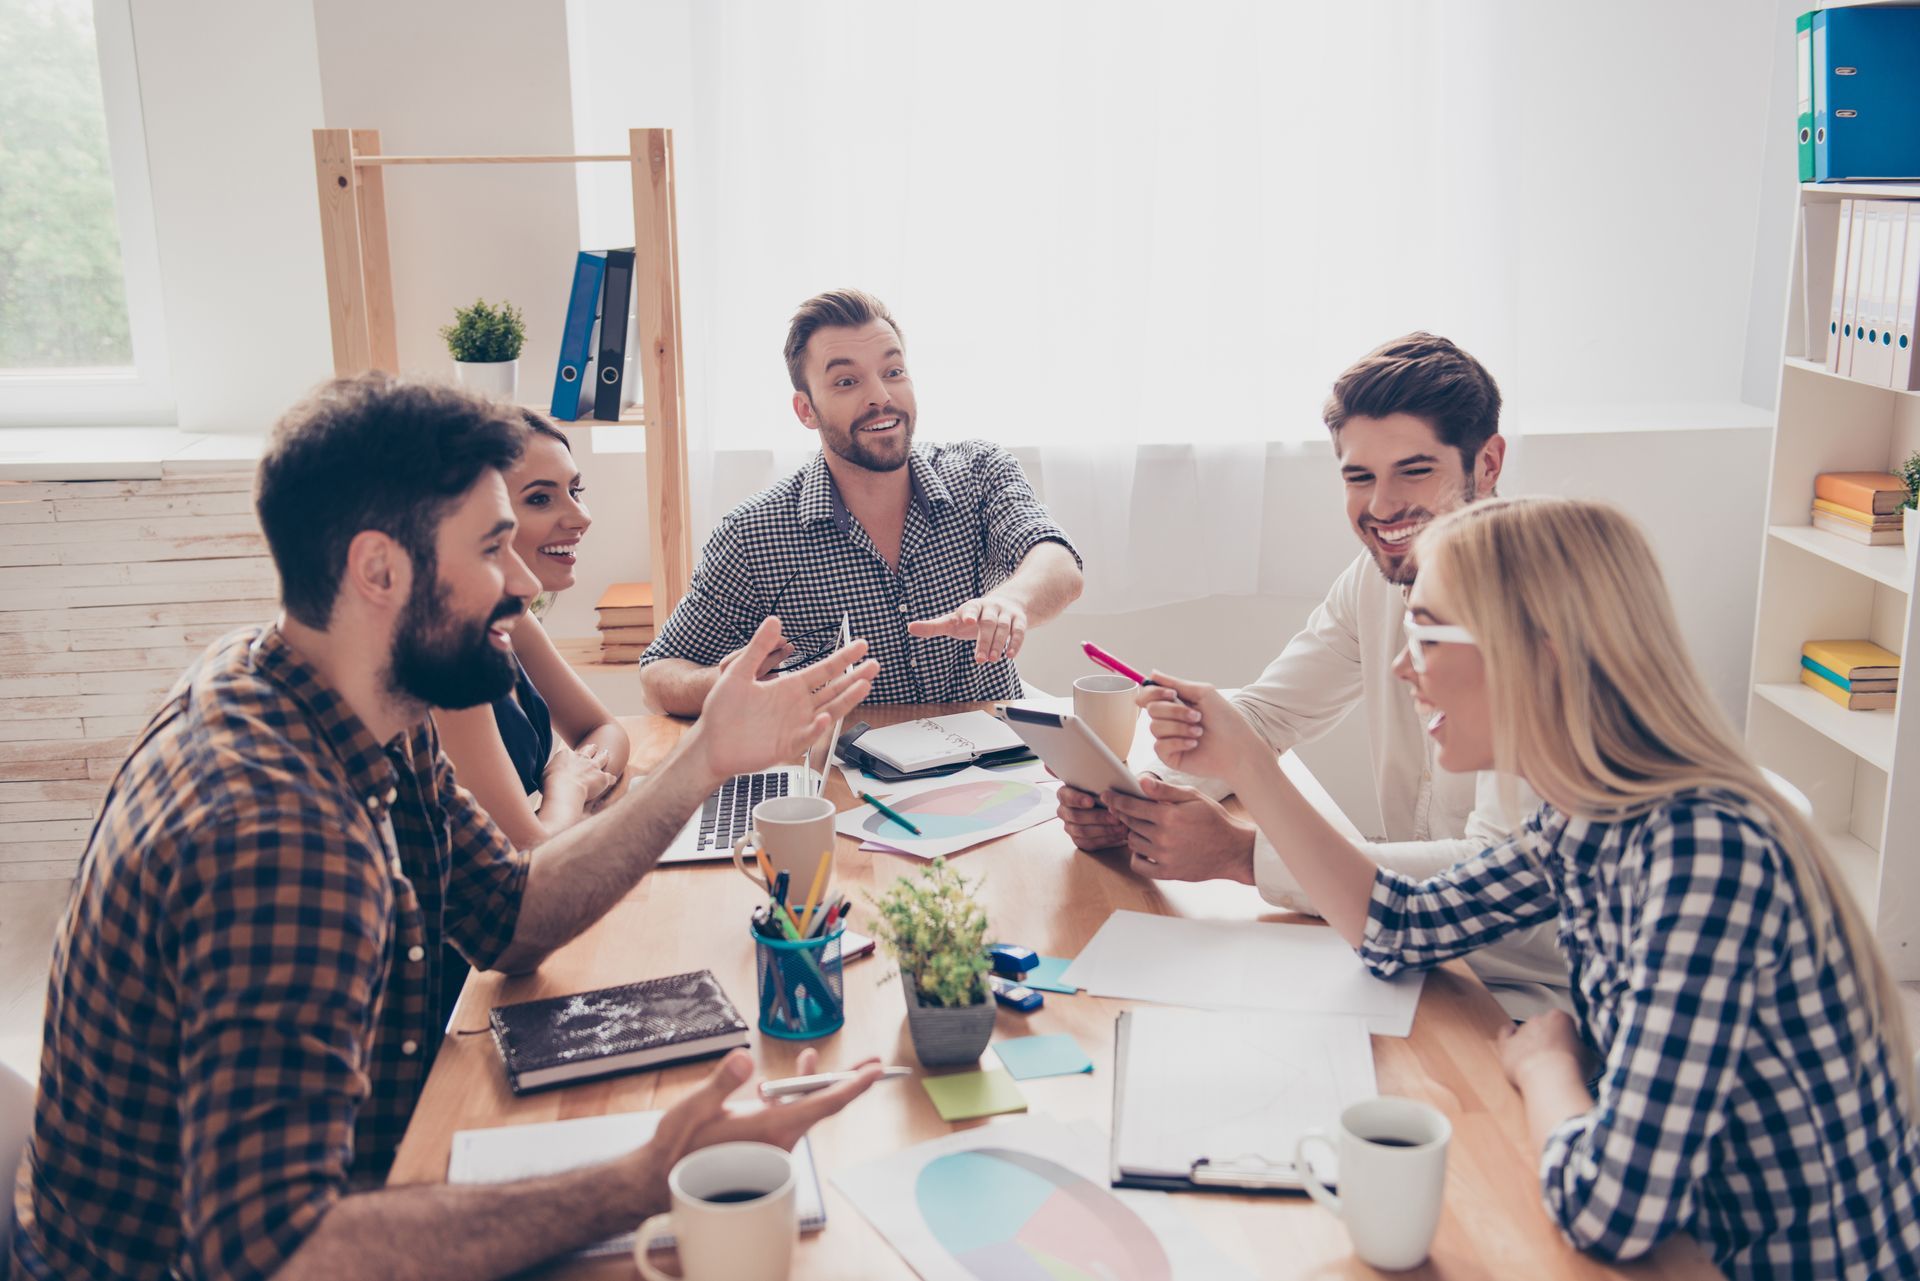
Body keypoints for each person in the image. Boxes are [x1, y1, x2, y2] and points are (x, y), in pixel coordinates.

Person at [10, 375, 882, 1281]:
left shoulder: (346, 694)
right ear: (380, 571)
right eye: (493, 546)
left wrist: (705, 759)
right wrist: (639, 1179)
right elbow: (278, 1256)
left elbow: (508, 915)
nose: (518, 581)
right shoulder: (277, 834)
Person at [1142, 496, 1920, 1276]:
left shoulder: (1703, 852)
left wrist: (1549, 1065)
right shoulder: (1587, 813)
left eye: (1428, 632)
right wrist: (1249, 762)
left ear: (1542, 653)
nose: (1400, 664)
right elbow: (1399, 925)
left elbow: (1610, 1206)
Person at [1057, 333, 1568, 1015]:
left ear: (1489, 461)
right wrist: (1144, 805)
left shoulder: (1545, 625)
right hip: (1402, 956)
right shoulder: (1376, 578)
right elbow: (1267, 715)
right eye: (1359, 477)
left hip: (1519, 997)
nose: (1381, 505)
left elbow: (1487, 880)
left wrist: (1241, 853)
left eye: (1414, 471)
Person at [640, 288, 1084, 713]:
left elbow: (1058, 565)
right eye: (847, 381)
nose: (881, 396)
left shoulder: (979, 470)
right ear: (806, 410)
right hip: (849, 781)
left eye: (893, 372)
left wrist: (1012, 602)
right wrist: (725, 686)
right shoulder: (752, 534)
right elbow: (659, 676)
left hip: (993, 772)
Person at [433, 410, 630, 1022]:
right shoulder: (446, 653)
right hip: (466, 986)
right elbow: (527, 866)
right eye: (540, 498)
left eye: (576, 489)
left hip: (515, 948)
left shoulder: (508, 612)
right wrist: (566, 786)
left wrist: (566, 792)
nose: (579, 515)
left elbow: (608, 731)